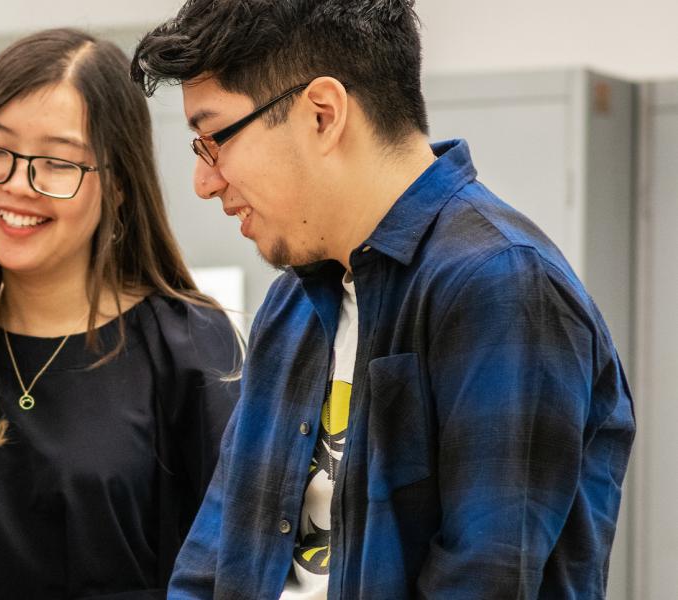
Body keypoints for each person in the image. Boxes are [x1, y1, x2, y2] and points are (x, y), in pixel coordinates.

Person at [131, 1, 636, 598]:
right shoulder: (290, 307)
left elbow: (486, 579)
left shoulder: (501, 284)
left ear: (322, 114)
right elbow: (214, 557)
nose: (205, 180)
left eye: (214, 138)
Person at [0, 28, 242, 599]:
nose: (18, 185)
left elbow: (233, 569)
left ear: (117, 185)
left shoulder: (190, 346)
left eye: (56, 162)